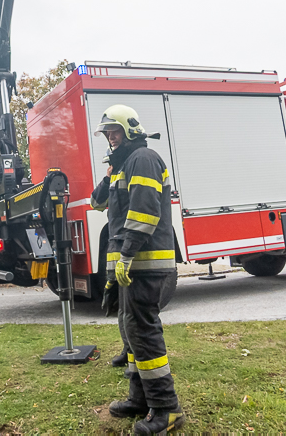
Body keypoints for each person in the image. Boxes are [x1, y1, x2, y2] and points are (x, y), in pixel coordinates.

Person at [95, 104, 185, 434]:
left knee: (144, 333)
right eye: (107, 133)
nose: (110, 137)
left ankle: (167, 408)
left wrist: (127, 255)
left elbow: (144, 213)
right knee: (132, 332)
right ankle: (140, 398)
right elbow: (97, 202)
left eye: (114, 131)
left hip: (145, 264)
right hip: (133, 267)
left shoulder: (143, 159)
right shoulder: (124, 164)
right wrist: (110, 172)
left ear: (130, 129)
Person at [92, 154, 132, 371]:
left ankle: (136, 354)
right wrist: (107, 179)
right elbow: (96, 203)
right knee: (121, 306)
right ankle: (128, 349)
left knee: (132, 308)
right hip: (116, 249)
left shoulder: (132, 173)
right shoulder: (112, 180)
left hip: (129, 250)